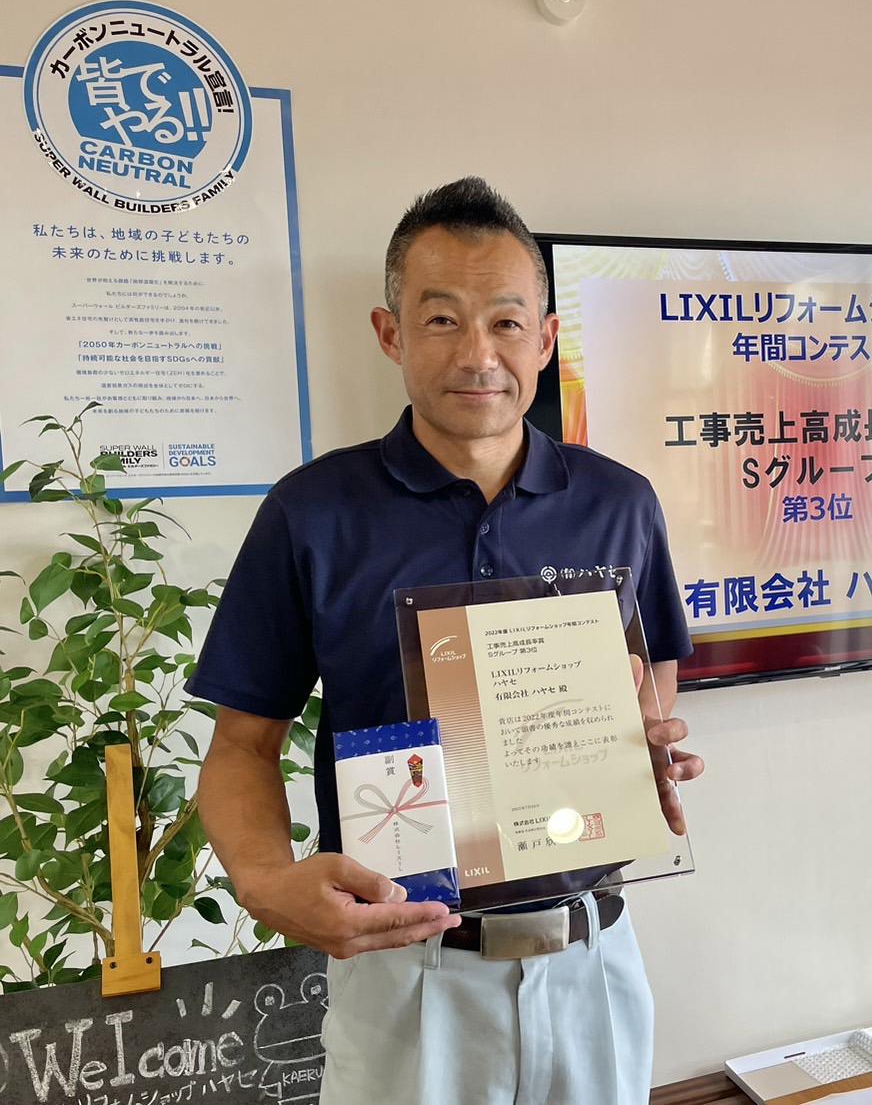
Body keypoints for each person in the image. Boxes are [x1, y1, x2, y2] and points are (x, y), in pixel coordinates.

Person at [189, 177, 702, 1104]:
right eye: (441, 320)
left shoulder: (619, 502)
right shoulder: (313, 513)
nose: (478, 354)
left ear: (545, 338)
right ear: (390, 333)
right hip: (405, 971)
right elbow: (241, 745)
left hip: (590, 960)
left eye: (506, 322)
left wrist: (645, 745)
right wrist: (266, 882)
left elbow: (653, 677)